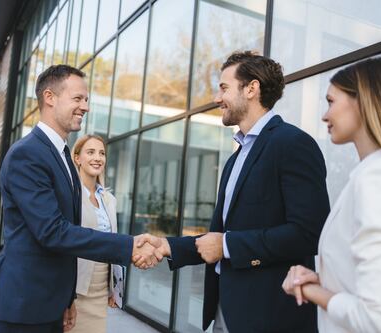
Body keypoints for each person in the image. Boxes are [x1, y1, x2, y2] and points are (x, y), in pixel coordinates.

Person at [137, 51, 330, 332]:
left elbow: (309, 234)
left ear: (252, 89)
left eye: (224, 88)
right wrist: (167, 246)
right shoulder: (235, 159)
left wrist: (228, 246)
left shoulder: (293, 144)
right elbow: (221, 236)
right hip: (225, 310)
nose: (217, 98)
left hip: (269, 318)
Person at [0, 65, 162, 333]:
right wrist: (129, 246)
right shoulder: (27, 154)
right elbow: (52, 232)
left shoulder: (60, 155)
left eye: (86, 100)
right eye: (78, 98)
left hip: (51, 302)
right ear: (49, 97)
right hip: (26, 306)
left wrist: (67, 298)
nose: (85, 107)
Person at [282, 57, 381, 333]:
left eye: (331, 101)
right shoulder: (375, 174)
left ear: (363, 102)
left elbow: (378, 317)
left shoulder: (380, 179)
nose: (325, 115)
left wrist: (312, 292)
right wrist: (321, 278)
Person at [69, 134, 121, 333]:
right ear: (77, 158)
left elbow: (113, 243)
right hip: (75, 288)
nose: (97, 158)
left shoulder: (109, 199)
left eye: (102, 153)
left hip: (101, 288)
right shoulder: (70, 195)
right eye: (90, 152)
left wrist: (113, 288)